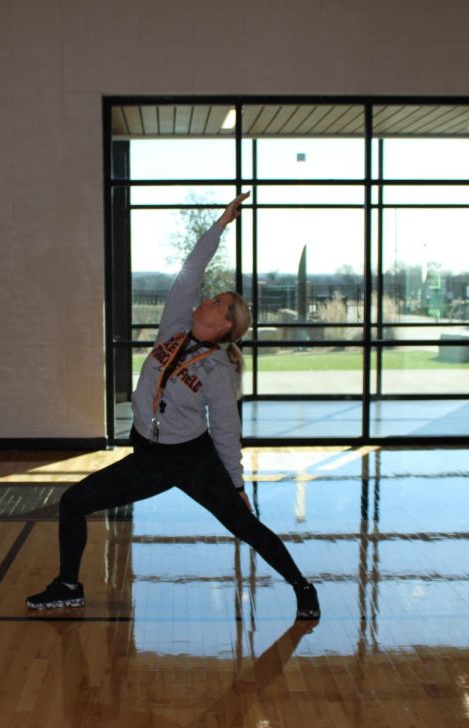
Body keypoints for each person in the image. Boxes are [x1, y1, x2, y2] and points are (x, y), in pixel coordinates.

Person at [27, 192, 320, 620]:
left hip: (190, 459)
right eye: (212, 296)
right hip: (148, 455)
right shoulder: (176, 327)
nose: (206, 299)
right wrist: (220, 225)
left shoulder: (220, 370)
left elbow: (225, 430)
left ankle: (303, 587)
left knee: (245, 526)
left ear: (223, 326)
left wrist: (236, 486)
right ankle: (68, 586)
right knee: (73, 502)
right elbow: (190, 273)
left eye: (216, 302)